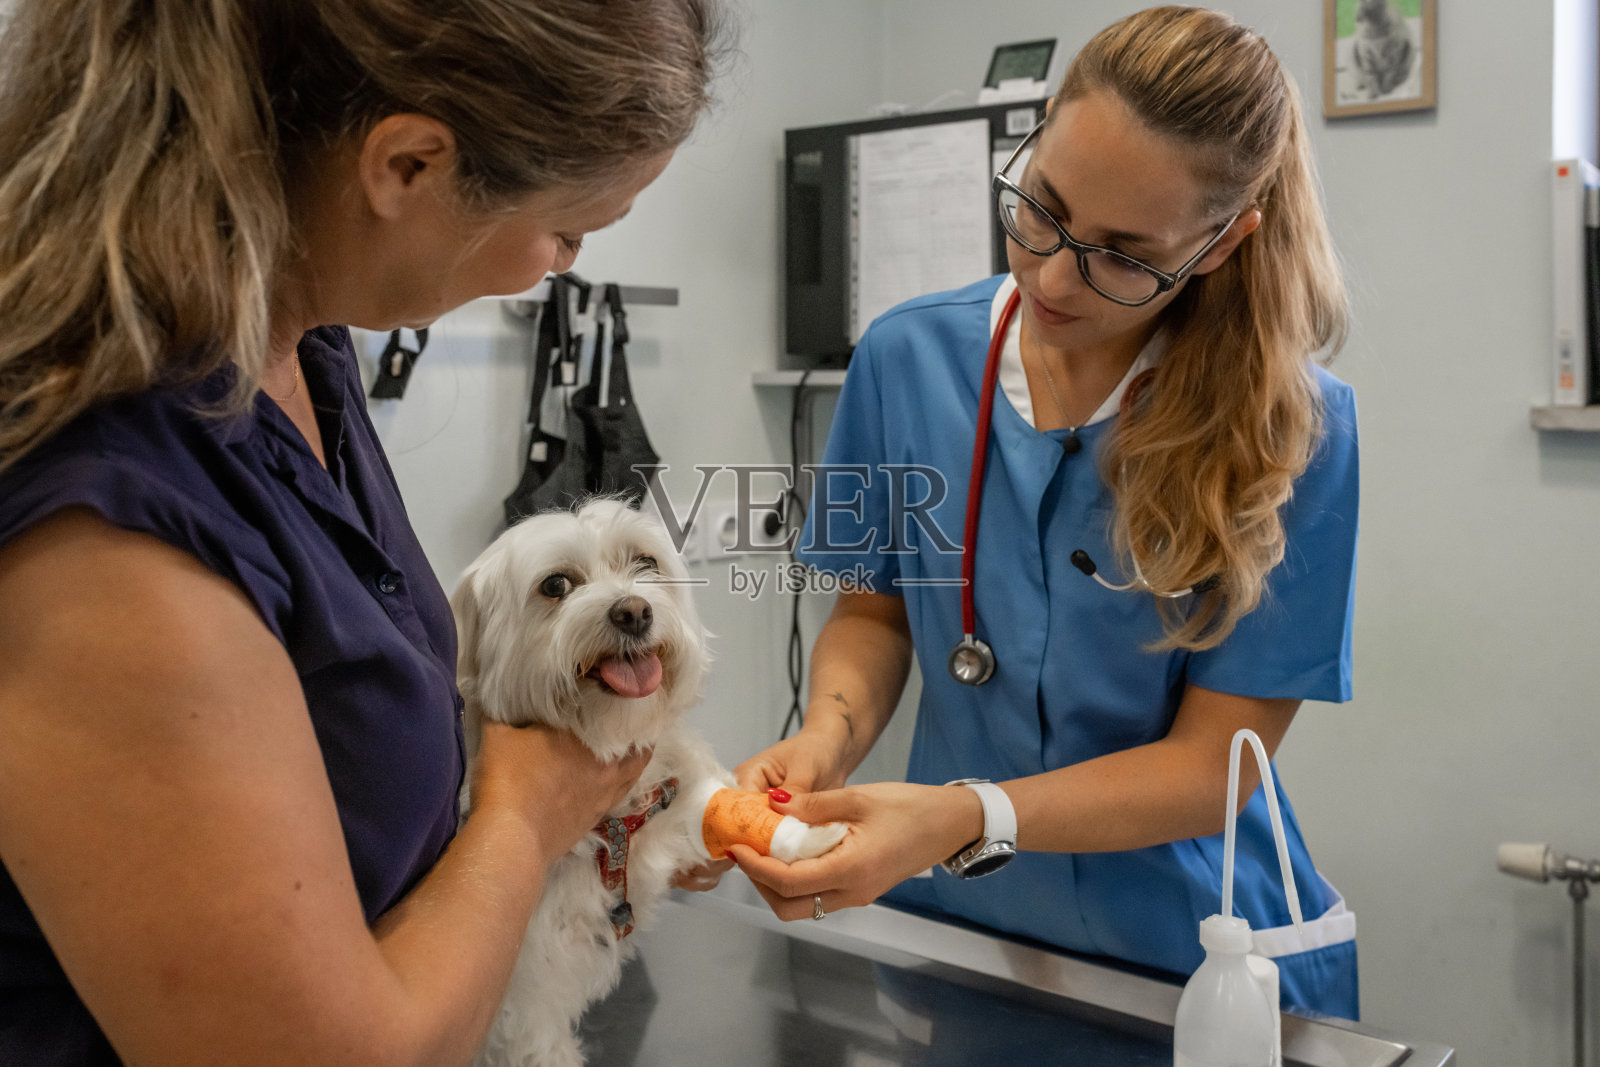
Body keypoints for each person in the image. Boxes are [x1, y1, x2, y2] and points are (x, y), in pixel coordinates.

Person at [0, 1, 725, 1063]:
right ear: (409, 165)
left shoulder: (303, 361)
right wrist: (521, 819)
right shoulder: (110, 527)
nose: (559, 264)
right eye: (572, 230)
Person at [730, 6, 1360, 1019]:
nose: (1051, 274)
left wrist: (963, 814)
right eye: (1041, 205)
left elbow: (1212, 767)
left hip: (1194, 959)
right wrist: (826, 739)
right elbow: (875, 610)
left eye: (1122, 252)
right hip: (958, 934)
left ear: (1219, 242)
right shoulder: (901, 359)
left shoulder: (1296, 429)